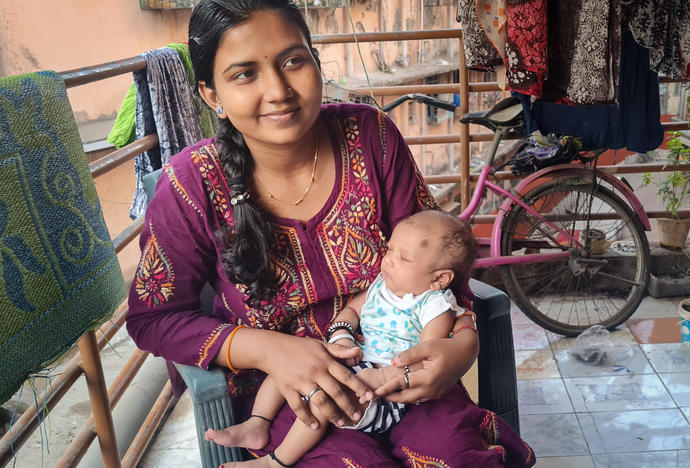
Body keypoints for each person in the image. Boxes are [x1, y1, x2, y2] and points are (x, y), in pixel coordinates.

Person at [125, 0, 536, 466]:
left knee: (456, 457)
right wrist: (273, 350)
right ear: (212, 95)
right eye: (244, 74)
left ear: (316, 63)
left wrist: (463, 345)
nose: (279, 90)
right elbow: (153, 318)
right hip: (286, 398)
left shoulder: (373, 138)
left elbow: (440, 266)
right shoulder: (190, 185)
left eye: (292, 61)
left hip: (397, 372)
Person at [203, 210, 478, 465]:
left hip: (385, 388)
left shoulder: (434, 306)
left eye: (403, 258)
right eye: (390, 249)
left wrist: (382, 378)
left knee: (322, 400)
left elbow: (425, 360)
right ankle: (257, 423)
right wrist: (342, 336)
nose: (389, 260)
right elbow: (351, 311)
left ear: (440, 279)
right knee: (288, 368)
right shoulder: (382, 286)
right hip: (356, 357)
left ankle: (276, 461)